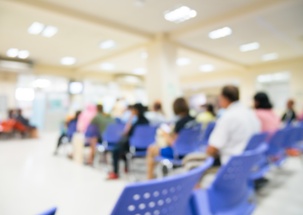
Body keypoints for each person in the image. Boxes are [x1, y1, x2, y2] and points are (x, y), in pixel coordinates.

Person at [183, 85, 260, 170]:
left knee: (189, 161)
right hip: (248, 160)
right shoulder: (250, 113)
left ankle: (198, 183)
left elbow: (212, 149)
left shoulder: (228, 117)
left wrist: (206, 154)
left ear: (224, 98)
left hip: (231, 161)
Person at [146, 98, 195, 179]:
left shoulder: (180, 124)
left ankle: (149, 180)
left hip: (178, 153)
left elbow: (173, 143)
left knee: (151, 150)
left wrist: (165, 134)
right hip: (191, 151)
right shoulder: (193, 121)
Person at [107, 103, 149, 180]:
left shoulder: (136, 123)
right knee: (121, 147)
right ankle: (126, 167)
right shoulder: (147, 122)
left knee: (116, 150)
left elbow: (127, 132)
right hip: (145, 147)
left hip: (133, 146)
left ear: (136, 111)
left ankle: (115, 172)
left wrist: (130, 118)